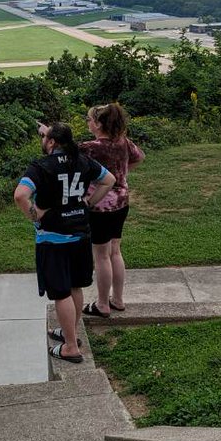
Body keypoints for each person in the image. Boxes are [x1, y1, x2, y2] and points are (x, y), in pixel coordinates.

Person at [14, 121, 115, 363]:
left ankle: (71, 346)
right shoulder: (82, 160)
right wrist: (89, 204)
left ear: (51, 142)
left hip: (53, 238)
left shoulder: (41, 166)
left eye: (45, 137)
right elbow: (108, 179)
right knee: (76, 287)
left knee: (60, 293)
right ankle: (71, 332)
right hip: (80, 233)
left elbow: (20, 195)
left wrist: (35, 218)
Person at [79, 102, 145, 318]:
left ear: (98, 124)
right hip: (121, 203)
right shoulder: (123, 143)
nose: (87, 123)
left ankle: (102, 304)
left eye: (89, 120)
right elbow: (140, 157)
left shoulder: (92, 147)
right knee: (115, 251)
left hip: (100, 207)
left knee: (101, 256)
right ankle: (117, 299)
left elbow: (64, 152)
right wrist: (122, 171)